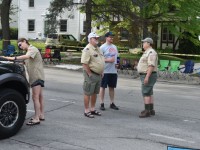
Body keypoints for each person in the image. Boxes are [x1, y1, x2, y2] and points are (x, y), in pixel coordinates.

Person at [4, 38, 45, 125]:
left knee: (35, 97)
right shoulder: (28, 51)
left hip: (36, 77)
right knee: (40, 97)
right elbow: (24, 62)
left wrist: (12, 58)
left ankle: (36, 118)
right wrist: (9, 61)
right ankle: (41, 115)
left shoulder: (32, 49)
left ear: (24, 41)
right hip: (37, 76)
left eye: (20, 44)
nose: (20, 47)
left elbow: (26, 57)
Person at [81, 32, 105, 118]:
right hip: (91, 74)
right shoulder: (87, 49)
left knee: (95, 92)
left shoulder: (98, 48)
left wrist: (101, 71)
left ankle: (92, 109)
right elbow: (84, 63)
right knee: (88, 92)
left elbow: (100, 61)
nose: (97, 39)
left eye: (97, 38)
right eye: (95, 38)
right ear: (90, 39)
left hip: (98, 74)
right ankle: (86, 110)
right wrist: (89, 73)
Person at [137, 37, 158, 118]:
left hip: (148, 75)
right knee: (149, 92)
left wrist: (147, 77)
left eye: (144, 42)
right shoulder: (147, 52)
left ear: (149, 43)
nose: (143, 44)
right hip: (147, 74)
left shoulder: (151, 52)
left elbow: (151, 65)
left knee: (146, 92)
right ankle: (150, 109)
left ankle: (147, 111)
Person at [99, 31, 119, 110]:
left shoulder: (114, 47)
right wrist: (108, 60)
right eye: (110, 37)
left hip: (113, 71)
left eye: (112, 37)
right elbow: (99, 59)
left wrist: (117, 63)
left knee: (112, 87)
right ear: (106, 38)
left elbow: (117, 57)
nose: (112, 38)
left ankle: (112, 103)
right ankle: (102, 103)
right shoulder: (102, 47)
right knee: (102, 87)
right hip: (105, 70)